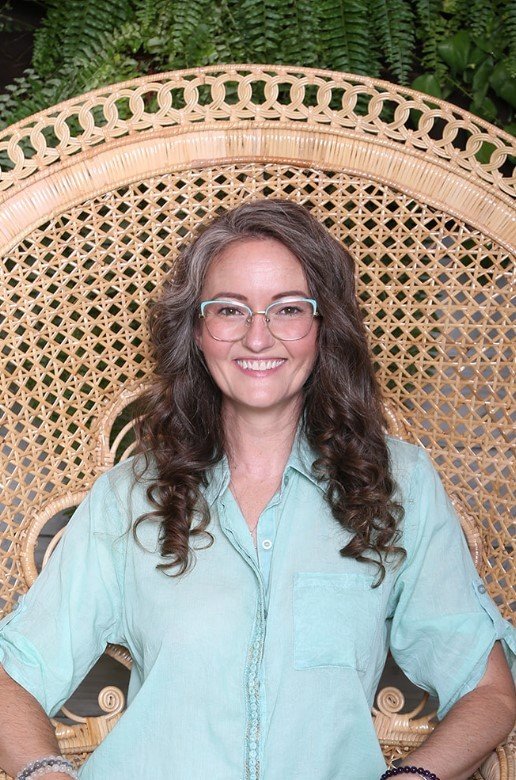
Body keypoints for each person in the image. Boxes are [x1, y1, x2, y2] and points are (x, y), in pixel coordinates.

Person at [0, 199, 514, 780]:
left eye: (288, 309)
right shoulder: (129, 496)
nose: (258, 337)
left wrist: (413, 778)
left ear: (323, 327)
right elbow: (12, 676)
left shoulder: (400, 485)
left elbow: (489, 692)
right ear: (197, 331)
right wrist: (47, 775)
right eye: (230, 310)